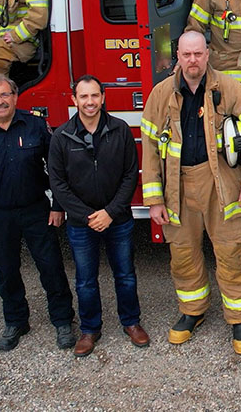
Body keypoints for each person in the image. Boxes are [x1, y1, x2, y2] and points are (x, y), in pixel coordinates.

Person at [140, 31, 241, 355]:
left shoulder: (227, 88)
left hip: (220, 185)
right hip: (177, 186)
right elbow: (148, 149)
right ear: (177, 55)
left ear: (207, 54)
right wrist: (154, 199)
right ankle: (192, 311)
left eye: (198, 54)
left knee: (230, 253)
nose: (192, 61)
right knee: (183, 255)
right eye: (186, 55)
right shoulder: (160, 95)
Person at [0, 74, 75, 352]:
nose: (0, 101)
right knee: (7, 271)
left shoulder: (35, 126)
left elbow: (58, 169)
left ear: (15, 96)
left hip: (36, 209)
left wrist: (58, 205)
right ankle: (16, 321)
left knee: (51, 267)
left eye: (5, 94)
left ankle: (62, 320)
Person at [48, 75, 149, 357]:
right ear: (74, 100)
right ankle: (90, 329)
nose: (89, 102)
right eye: (84, 96)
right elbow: (58, 184)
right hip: (82, 223)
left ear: (103, 97)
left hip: (117, 218)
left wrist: (109, 212)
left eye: (94, 96)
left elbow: (131, 175)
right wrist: (88, 215)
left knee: (126, 275)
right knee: (85, 280)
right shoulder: (61, 136)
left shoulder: (120, 130)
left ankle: (131, 322)